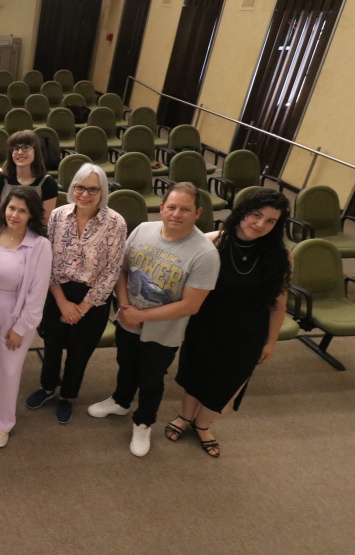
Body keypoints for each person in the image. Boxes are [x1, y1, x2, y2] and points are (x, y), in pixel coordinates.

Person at [87, 182, 220, 458]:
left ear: (197, 212)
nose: (176, 214)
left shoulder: (205, 254)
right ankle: (121, 401)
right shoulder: (142, 231)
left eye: (185, 209)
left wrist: (141, 316)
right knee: (125, 364)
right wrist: (124, 305)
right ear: (161, 208)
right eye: (171, 207)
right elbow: (121, 271)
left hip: (163, 333)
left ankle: (143, 422)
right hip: (127, 318)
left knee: (151, 379)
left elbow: (191, 305)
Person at [168, 189, 291, 457]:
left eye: (271, 221)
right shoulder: (212, 242)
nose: (260, 224)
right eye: (256, 215)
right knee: (195, 376)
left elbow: (279, 304)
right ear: (242, 212)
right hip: (205, 326)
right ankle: (184, 418)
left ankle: (203, 425)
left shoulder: (280, 256)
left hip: (248, 333)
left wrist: (271, 342)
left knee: (227, 382)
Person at [25, 164, 127, 424]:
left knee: (79, 354)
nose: (85, 194)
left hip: (92, 300)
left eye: (93, 189)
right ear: (72, 188)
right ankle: (48, 388)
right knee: (52, 346)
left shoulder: (116, 223)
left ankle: (67, 396)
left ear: (102, 191)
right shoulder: (58, 215)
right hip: (57, 292)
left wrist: (81, 308)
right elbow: (45, 261)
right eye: (80, 187)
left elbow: (113, 270)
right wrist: (62, 302)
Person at [0, 187, 52, 448]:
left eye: (22, 210)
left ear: (32, 215)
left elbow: (38, 292)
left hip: (16, 313)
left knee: (9, 369)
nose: (14, 214)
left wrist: (21, 327)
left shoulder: (40, 245)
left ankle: (3, 421)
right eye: (11, 207)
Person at [0, 130, 57, 226]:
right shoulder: (0, 180)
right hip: (2, 236)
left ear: (36, 151)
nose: (20, 152)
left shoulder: (48, 183)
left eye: (26, 147)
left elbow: (46, 223)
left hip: (34, 238)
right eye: (15, 148)